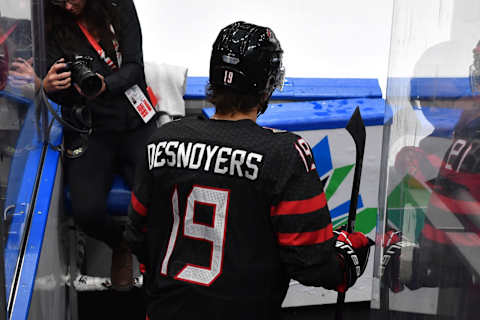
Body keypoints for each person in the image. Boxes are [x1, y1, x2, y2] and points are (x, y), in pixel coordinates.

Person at [125, 21, 373, 319]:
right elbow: (313, 264)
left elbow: (137, 235)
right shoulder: (284, 154)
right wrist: (348, 256)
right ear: (267, 86)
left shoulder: (162, 140)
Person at [43, 0, 157, 290]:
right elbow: (60, 91)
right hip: (89, 127)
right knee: (86, 212)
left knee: (158, 197)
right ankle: (120, 245)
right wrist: (51, 89)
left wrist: (106, 84)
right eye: (59, 1)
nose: (68, 6)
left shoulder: (119, 6)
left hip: (134, 121)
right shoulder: (48, 21)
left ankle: (152, 256)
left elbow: (134, 67)